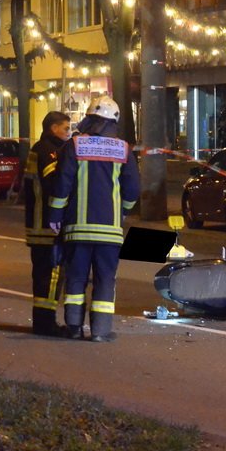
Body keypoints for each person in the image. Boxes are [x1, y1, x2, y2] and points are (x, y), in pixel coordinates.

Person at [48, 96, 140, 342]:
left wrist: (55, 214)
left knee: (76, 279)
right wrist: (122, 211)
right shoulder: (123, 149)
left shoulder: (75, 146)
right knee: (105, 280)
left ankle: (74, 327)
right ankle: (100, 331)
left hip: (77, 229)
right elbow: (132, 190)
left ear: (90, 119)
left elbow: (62, 184)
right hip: (110, 232)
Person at [24, 110, 72, 336]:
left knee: (45, 276)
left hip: (40, 224)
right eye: (66, 128)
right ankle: (46, 324)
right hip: (46, 225)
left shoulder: (43, 148)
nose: (69, 133)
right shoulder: (47, 150)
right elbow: (55, 183)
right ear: (54, 128)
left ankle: (43, 322)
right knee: (50, 276)